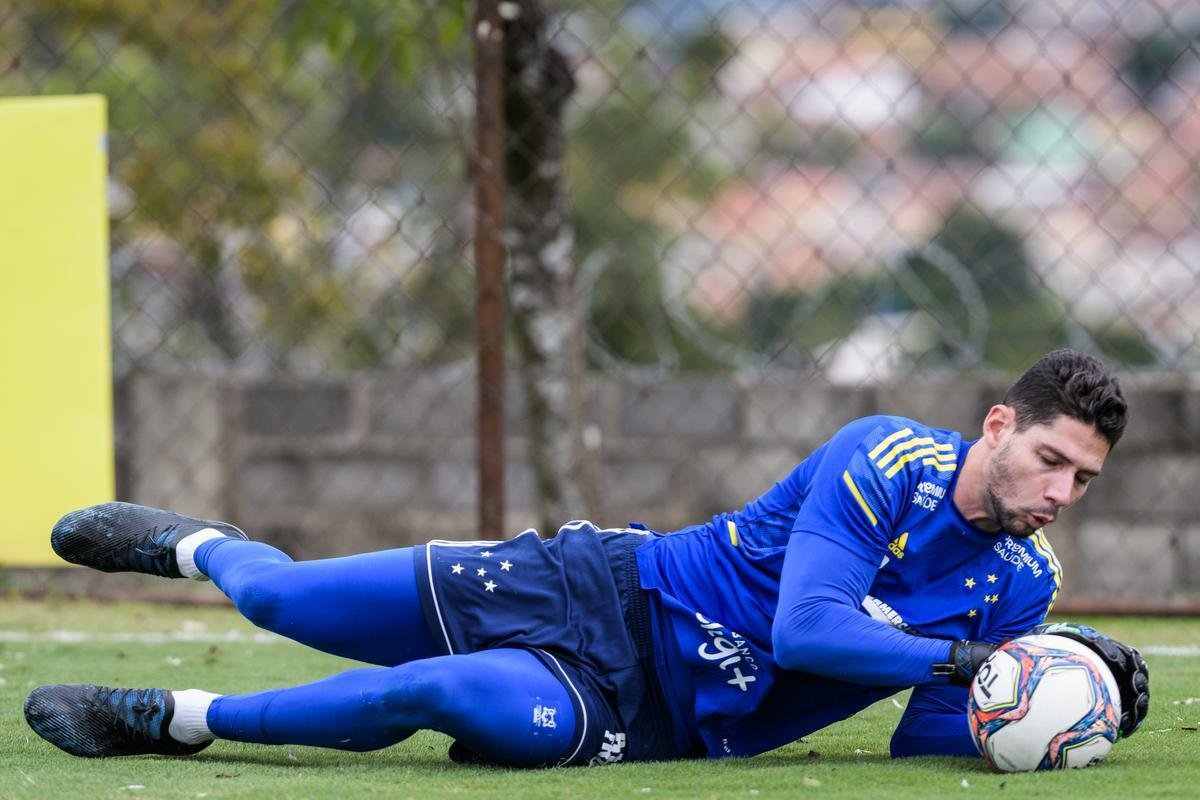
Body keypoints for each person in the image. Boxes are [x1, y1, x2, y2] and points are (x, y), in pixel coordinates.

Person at [25, 348, 1149, 766]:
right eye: (1050, 458)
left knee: (438, 691)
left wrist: (1067, 696)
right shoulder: (885, 457)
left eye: (1083, 481)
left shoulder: (1024, 586)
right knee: (277, 598)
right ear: (998, 425)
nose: (1059, 494)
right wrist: (966, 660)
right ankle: (198, 543)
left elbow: (938, 735)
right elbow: (810, 628)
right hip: (604, 583)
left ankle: (172, 716)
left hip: (653, 711)